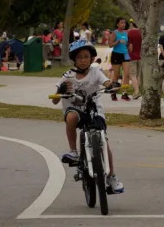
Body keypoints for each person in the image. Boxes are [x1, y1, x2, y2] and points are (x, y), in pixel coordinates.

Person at [51, 39, 124, 193]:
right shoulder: (68, 76)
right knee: (70, 117)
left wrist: (111, 85)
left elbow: (106, 83)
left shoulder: (95, 72)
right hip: (75, 111)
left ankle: (111, 176)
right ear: (74, 59)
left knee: (103, 140)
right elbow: (55, 101)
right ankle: (73, 152)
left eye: (86, 56)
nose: (83, 60)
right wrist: (61, 90)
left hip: (94, 110)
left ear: (91, 58)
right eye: (79, 57)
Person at [109, 17, 131, 101]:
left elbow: (128, 44)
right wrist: (118, 41)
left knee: (127, 74)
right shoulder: (114, 33)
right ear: (117, 24)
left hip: (125, 54)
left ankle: (124, 93)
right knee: (117, 75)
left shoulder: (126, 33)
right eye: (121, 23)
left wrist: (129, 46)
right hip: (116, 55)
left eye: (124, 23)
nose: (123, 24)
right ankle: (113, 92)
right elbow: (110, 45)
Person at [128, 19, 142, 99]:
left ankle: (136, 91)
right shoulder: (142, 32)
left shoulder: (129, 32)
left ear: (132, 23)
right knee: (138, 75)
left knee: (133, 75)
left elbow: (130, 47)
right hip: (140, 56)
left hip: (132, 56)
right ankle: (136, 91)